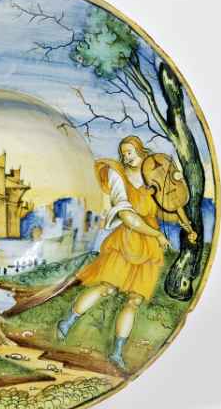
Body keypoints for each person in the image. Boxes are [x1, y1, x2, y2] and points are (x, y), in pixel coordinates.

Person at [57, 136, 169, 371]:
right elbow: (128, 218)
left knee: (134, 301)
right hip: (128, 240)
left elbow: (170, 202)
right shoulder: (118, 176)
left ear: (141, 151)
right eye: (123, 153)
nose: (127, 157)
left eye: (130, 152)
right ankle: (67, 322)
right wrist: (157, 234)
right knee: (106, 287)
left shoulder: (154, 174)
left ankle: (117, 352)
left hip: (149, 247)